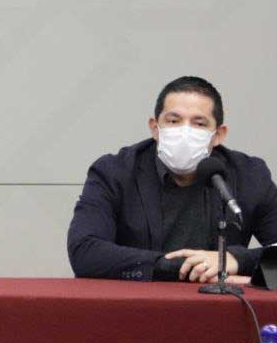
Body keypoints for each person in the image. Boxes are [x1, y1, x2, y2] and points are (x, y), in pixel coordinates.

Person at [68, 76, 277, 282]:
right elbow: (85, 252)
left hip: (220, 302)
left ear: (218, 135)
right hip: (137, 300)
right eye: (173, 121)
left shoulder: (250, 175)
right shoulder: (115, 172)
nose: (184, 132)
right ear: (155, 128)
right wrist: (180, 267)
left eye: (199, 123)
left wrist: (235, 259)